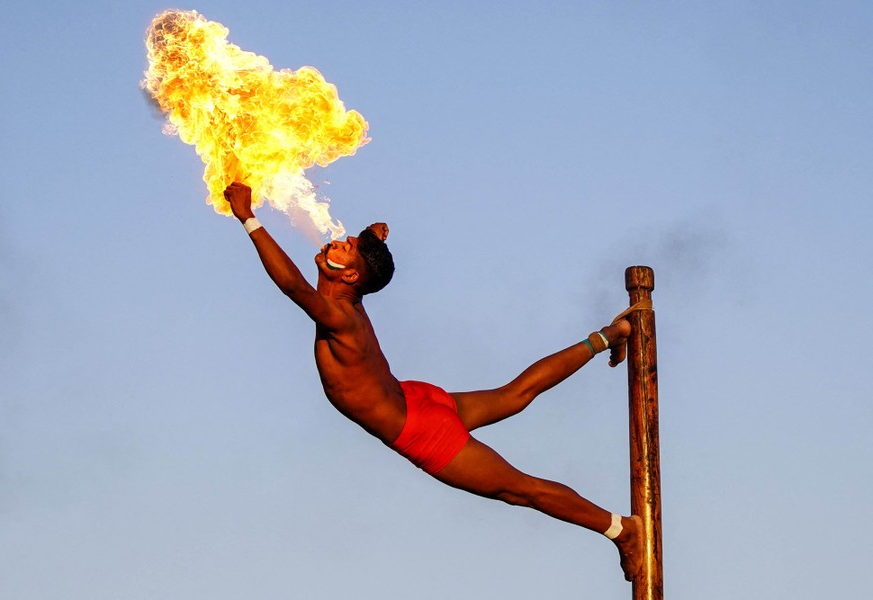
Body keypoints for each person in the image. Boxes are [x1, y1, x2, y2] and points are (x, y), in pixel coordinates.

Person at [223, 182, 644, 581]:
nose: (336, 242)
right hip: (417, 399)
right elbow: (331, 279)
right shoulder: (347, 304)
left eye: (346, 248)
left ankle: (621, 530)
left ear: (349, 276)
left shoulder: (338, 317)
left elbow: (293, 285)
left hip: (419, 429)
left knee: (520, 490)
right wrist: (371, 239)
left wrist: (249, 218)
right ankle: (610, 336)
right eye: (345, 243)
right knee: (515, 394)